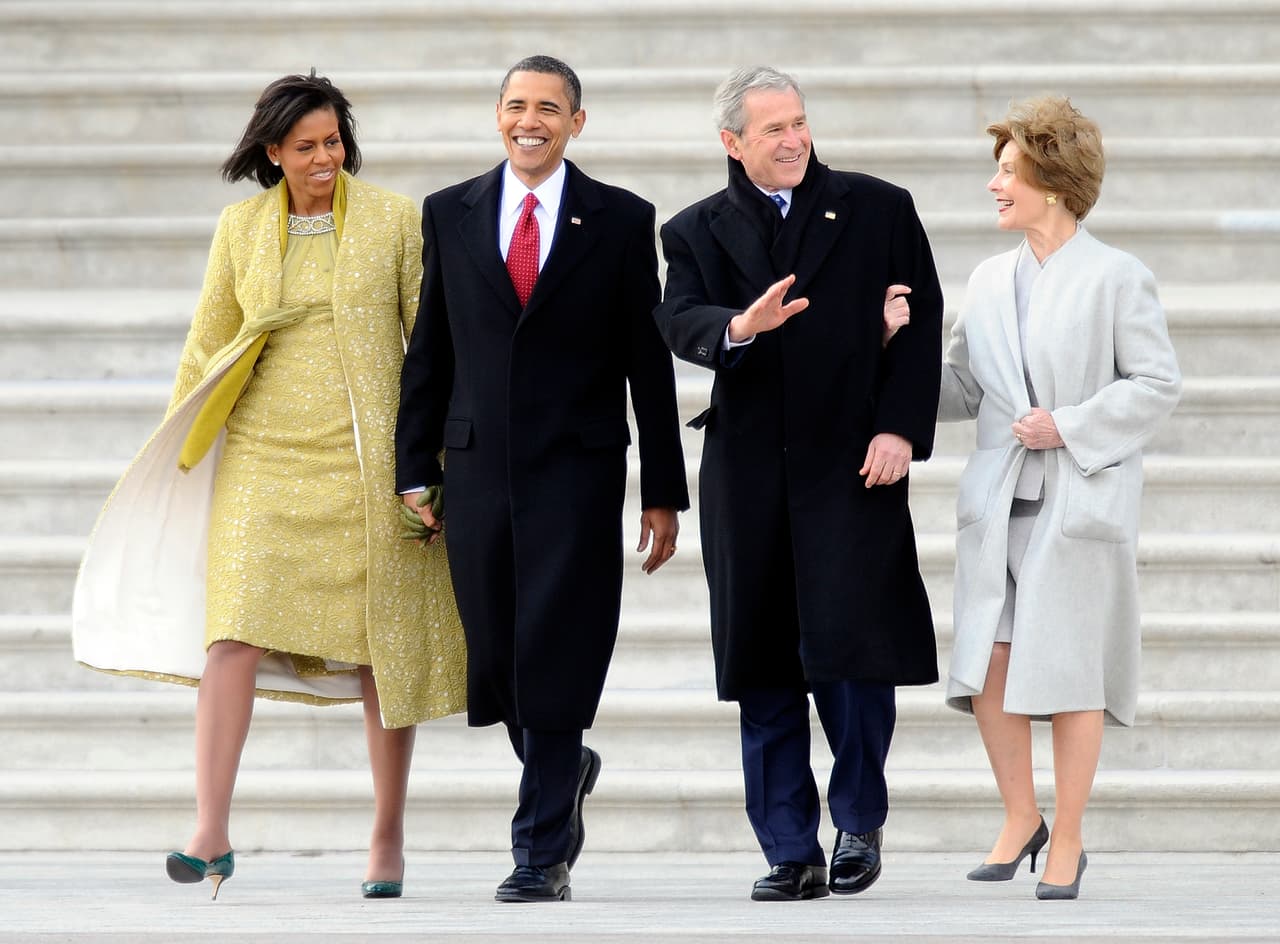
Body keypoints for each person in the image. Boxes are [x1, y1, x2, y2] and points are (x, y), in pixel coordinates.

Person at [72, 71, 467, 900]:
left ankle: (387, 836)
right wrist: (182, 458)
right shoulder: (241, 228)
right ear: (272, 152)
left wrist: (427, 471)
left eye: (334, 142)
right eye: (307, 146)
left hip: (367, 460)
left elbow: (428, 351)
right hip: (260, 456)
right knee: (233, 636)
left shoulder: (397, 220)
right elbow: (206, 343)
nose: (325, 158)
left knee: (377, 654)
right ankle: (210, 830)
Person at [395, 55, 689, 903]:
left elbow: (648, 365)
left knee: (556, 650)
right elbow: (431, 353)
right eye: (519, 105)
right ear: (498, 116)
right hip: (477, 465)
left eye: (551, 108)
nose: (533, 120)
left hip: (579, 470)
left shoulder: (623, 219)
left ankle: (538, 854)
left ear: (576, 123)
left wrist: (662, 490)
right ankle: (567, 767)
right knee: (495, 656)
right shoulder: (449, 212)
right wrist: (415, 467)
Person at [653, 66, 943, 902]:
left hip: (853, 464)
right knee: (763, 661)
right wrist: (741, 326)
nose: (793, 140)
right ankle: (789, 846)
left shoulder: (876, 207)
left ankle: (857, 816)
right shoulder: (696, 229)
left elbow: (918, 326)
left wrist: (898, 428)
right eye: (772, 129)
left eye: (800, 123)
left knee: (855, 652)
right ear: (731, 143)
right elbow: (679, 318)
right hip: (747, 474)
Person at [935, 96, 1181, 900]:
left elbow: (1155, 384)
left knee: (1071, 671)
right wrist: (891, 351)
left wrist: (1069, 426)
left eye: (1009, 171)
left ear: (1054, 180)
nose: (995, 184)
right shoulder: (988, 278)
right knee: (989, 663)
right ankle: (1020, 818)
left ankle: (1068, 839)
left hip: (1078, 501)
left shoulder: (1118, 277)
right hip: (1000, 499)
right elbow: (965, 388)